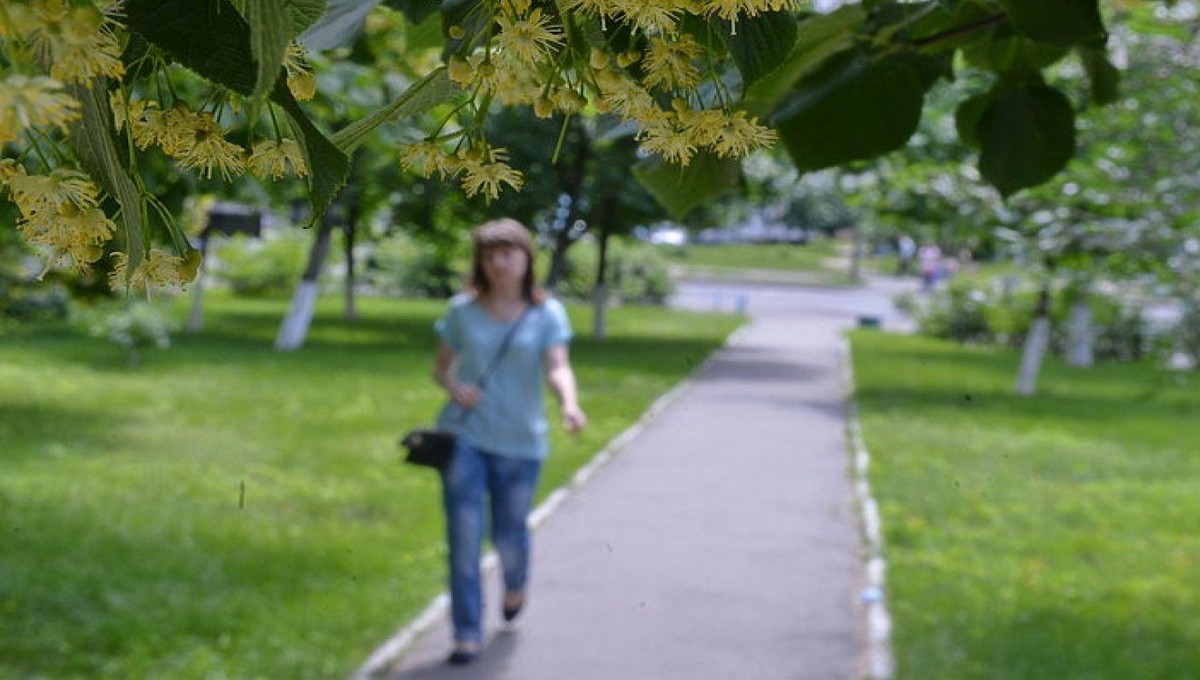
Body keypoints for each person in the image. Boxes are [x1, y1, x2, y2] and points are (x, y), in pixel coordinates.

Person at [430, 217, 587, 665]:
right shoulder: (462, 310)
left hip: (521, 442)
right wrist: (453, 385)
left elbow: (557, 366)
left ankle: (516, 584)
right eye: (490, 252)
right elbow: (441, 367)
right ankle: (466, 632)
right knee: (464, 537)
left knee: (510, 535)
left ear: (526, 258)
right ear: (480, 260)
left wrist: (569, 404)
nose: (500, 261)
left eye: (509, 251)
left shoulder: (546, 312)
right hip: (466, 437)